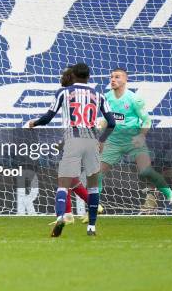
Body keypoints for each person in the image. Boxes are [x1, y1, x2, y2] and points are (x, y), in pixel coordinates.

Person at [0, 0, 146, 73]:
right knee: (16, 44)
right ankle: (17, 68)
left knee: (39, 48)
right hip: (21, 23)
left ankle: (20, 58)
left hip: (47, 26)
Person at [29, 63, 115, 237]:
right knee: (92, 187)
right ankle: (91, 227)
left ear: (73, 75)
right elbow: (112, 122)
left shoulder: (63, 93)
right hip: (92, 141)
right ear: (88, 77)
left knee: (64, 183)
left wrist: (34, 123)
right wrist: (102, 140)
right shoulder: (99, 95)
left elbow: (48, 117)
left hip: (73, 139)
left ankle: (62, 215)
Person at [98, 68, 172, 214]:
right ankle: (95, 205)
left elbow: (146, 120)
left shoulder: (134, 99)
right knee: (97, 173)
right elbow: (106, 120)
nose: (113, 79)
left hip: (134, 140)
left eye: (117, 77)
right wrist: (101, 139)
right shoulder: (106, 98)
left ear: (125, 80)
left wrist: (141, 136)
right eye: (111, 77)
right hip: (114, 141)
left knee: (146, 171)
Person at [56, 66, 103, 225]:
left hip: (81, 140)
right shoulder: (77, 94)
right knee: (70, 178)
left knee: (65, 178)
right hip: (81, 139)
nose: (61, 78)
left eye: (64, 75)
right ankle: (71, 213)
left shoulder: (68, 94)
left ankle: (68, 214)